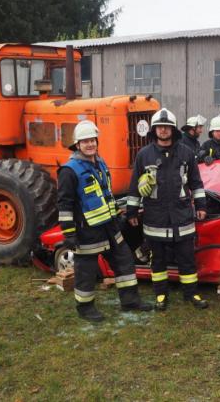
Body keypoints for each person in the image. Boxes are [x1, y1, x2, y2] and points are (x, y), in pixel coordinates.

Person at [58, 120, 153, 322]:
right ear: (77, 144)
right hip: (87, 231)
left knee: (124, 261)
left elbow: (106, 194)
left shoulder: (100, 163)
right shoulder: (69, 171)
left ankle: (130, 301)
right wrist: (69, 233)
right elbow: (65, 204)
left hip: (110, 227)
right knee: (86, 270)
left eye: (92, 140)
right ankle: (85, 308)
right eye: (85, 142)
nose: (90, 144)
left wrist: (119, 216)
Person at [126, 108, 209, 310]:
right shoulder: (143, 155)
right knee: (158, 261)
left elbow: (196, 183)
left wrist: (201, 205)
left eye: (167, 127)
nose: (163, 130)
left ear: (172, 129)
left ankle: (192, 294)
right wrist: (132, 211)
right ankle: (161, 295)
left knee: (187, 259)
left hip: (182, 215)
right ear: (154, 130)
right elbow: (134, 186)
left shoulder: (186, 153)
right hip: (155, 216)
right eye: (159, 127)